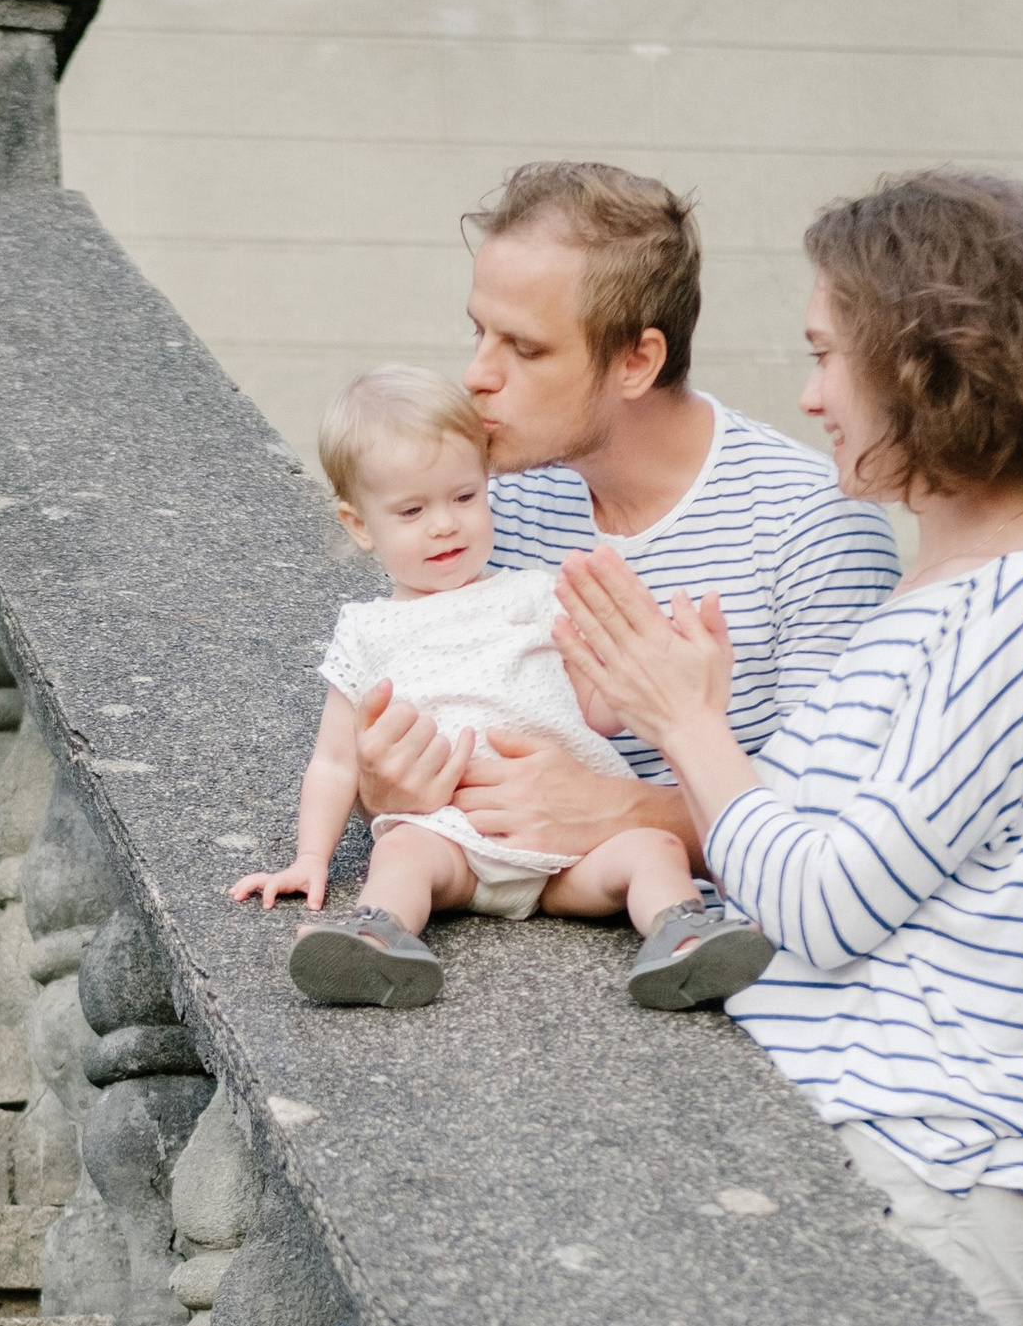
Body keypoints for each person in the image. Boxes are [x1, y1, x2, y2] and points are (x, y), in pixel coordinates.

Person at [551, 171, 1023, 1326]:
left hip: (926, 1168)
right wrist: (684, 722)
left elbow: (823, 907)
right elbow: (785, 872)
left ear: (925, 363)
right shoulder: (921, 603)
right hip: (853, 1157)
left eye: (828, 356)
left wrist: (693, 731)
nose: (810, 396)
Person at [352, 161, 901, 866]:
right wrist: (382, 785)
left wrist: (624, 813)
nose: (477, 375)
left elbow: (838, 821)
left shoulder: (816, 524)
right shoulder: (486, 506)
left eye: (523, 347)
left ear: (637, 361)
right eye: (478, 334)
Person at [235, 363, 771, 1011]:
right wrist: (309, 857)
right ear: (358, 524)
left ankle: (681, 935)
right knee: (402, 850)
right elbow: (334, 760)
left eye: (464, 498)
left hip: (565, 851)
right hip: (453, 841)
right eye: (412, 510)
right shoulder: (367, 631)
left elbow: (599, 710)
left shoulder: (533, 592)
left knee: (653, 848)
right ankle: (379, 938)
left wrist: (660, 670)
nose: (444, 525)